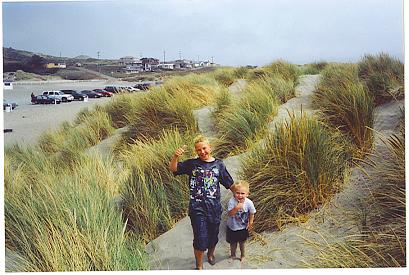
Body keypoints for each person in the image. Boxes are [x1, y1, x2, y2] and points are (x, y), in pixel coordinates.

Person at [169, 135, 234, 270]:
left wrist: (242, 197)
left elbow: (230, 183)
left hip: (214, 208)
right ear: (196, 151)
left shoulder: (219, 165)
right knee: (200, 238)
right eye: (199, 150)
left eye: (204, 148)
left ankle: (210, 254)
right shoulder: (192, 164)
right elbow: (174, 169)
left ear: (210, 148)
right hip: (197, 208)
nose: (202, 152)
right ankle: (199, 266)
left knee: (213, 236)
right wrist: (175, 157)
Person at [226, 180, 256, 262]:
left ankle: (243, 255)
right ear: (234, 193)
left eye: (242, 193)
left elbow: (252, 213)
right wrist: (236, 208)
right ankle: (232, 255)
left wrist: (250, 222)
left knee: (242, 242)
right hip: (232, 226)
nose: (239, 195)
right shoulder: (232, 201)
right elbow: (230, 214)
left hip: (243, 227)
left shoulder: (249, 203)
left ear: (247, 194)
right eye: (237, 193)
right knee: (232, 243)